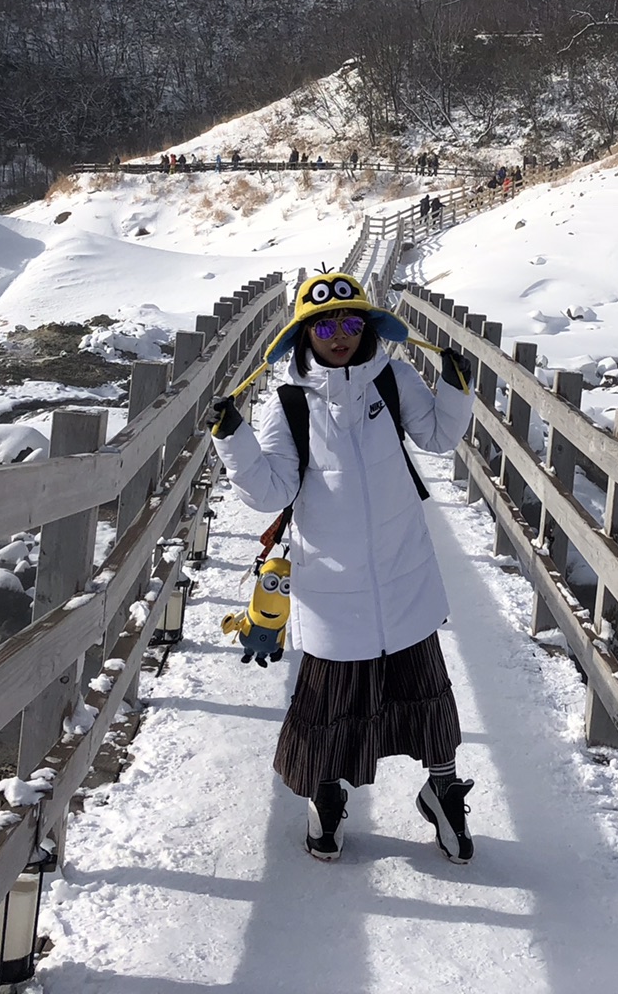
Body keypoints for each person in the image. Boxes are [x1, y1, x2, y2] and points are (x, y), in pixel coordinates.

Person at [208, 272, 476, 865]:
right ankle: (324, 796)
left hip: (403, 568)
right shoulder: (288, 402)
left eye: (351, 322)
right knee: (328, 705)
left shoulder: (391, 374)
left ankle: (443, 789)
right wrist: (235, 440)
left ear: (367, 326)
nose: (339, 335)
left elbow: (435, 437)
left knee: (425, 689)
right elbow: (270, 488)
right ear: (305, 332)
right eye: (324, 324)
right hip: (330, 584)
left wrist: (456, 390)